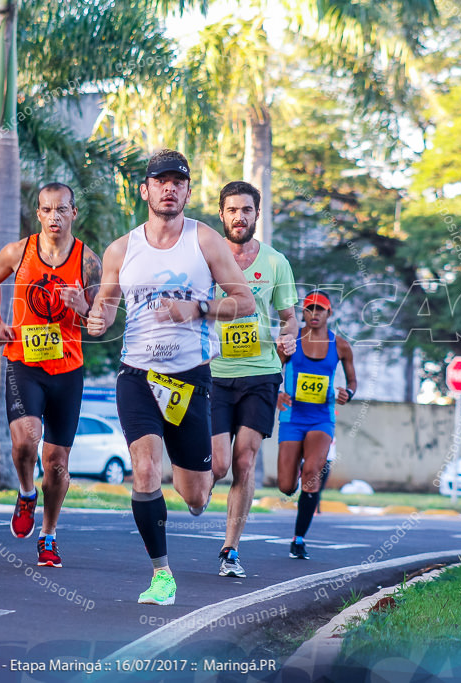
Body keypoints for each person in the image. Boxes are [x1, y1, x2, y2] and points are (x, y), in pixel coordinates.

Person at [87, 149, 254, 605]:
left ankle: (198, 486)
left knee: (196, 495)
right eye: (160, 181)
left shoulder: (205, 241)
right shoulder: (122, 249)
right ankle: (162, 575)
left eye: (177, 182)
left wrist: (198, 307)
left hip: (188, 379)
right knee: (144, 470)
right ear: (145, 190)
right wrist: (95, 319)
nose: (168, 188)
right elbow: (104, 304)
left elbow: (245, 302)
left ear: (186, 191)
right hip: (137, 375)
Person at [0, 182, 101, 569]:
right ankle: (25, 492)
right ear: (38, 213)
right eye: (47, 210)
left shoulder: (88, 262)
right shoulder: (19, 252)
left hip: (68, 369)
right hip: (25, 363)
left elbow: (98, 321)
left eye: (62, 210)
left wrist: (83, 305)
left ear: (73, 213)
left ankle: (48, 536)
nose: (55, 217)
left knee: (56, 462)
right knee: (23, 444)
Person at [209, 181, 298, 579]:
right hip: (212, 373)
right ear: (222, 214)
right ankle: (197, 490)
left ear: (256, 215)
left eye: (247, 209)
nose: (239, 217)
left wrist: (289, 336)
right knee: (217, 464)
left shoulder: (276, 262)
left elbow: (289, 317)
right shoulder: (205, 259)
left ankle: (230, 550)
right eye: (232, 210)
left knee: (244, 462)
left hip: (261, 373)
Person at [276, 290, 356, 560]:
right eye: (309, 309)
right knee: (287, 486)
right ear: (302, 313)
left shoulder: (341, 346)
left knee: (311, 473)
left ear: (329, 313)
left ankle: (298, 539)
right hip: (292, 416)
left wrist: (348, 393)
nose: (313, 314)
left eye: (319, 309)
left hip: (322, 417)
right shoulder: (291, 340)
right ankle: (298, 465)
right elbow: (272, 368)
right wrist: (277, 392)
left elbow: (353, 382)